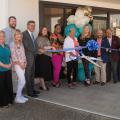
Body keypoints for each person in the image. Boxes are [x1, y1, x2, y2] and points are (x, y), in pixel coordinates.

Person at [22, 20, 40, 97]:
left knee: (32, 74)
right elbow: (27, 46)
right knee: (28, 74)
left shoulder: (32, 34)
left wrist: (38, 50)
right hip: (28, 57)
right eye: (31, 25)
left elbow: (35, 45)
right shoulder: (24, 34)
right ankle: (29, 92)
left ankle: (32, 89)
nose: (33, 27)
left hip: (33, 57)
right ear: (27, 26)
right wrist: (37, 51)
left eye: (34, 26)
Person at [10, 30, 28, 103]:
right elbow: (13, 56)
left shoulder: (21, 43)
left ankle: (20, 95)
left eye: (20, 35)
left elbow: (24, 54)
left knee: (21, 81)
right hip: (18, 65)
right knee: (23, 81)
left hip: (23, 64)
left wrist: (25, 63)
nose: (19, 36)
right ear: (14, 36)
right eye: (17, 35)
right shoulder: (12, 44)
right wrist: (21, 65)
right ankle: (17, 97)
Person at [35, 27, 52, 91]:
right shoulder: (39, 38)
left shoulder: (45, 38)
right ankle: (43, 86)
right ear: (41, 31)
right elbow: (41, 47)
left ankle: (41, 85)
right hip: (42, 57)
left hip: (46, 56)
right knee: (42, 72)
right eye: (44, 30)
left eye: (46, 30)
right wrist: (51, 47)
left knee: (43, 72)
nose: (45, 31)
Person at [0, 31, 14, 107]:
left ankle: (9, 100)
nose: (2, 38)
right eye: (0, 36)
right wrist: (5, 66)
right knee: (2, 86)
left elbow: (10, 56)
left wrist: (11, 63)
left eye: (3, 36)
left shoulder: (7, 46)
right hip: (1, 70)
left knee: (8, 85)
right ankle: (3, 103)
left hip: (8, 69)